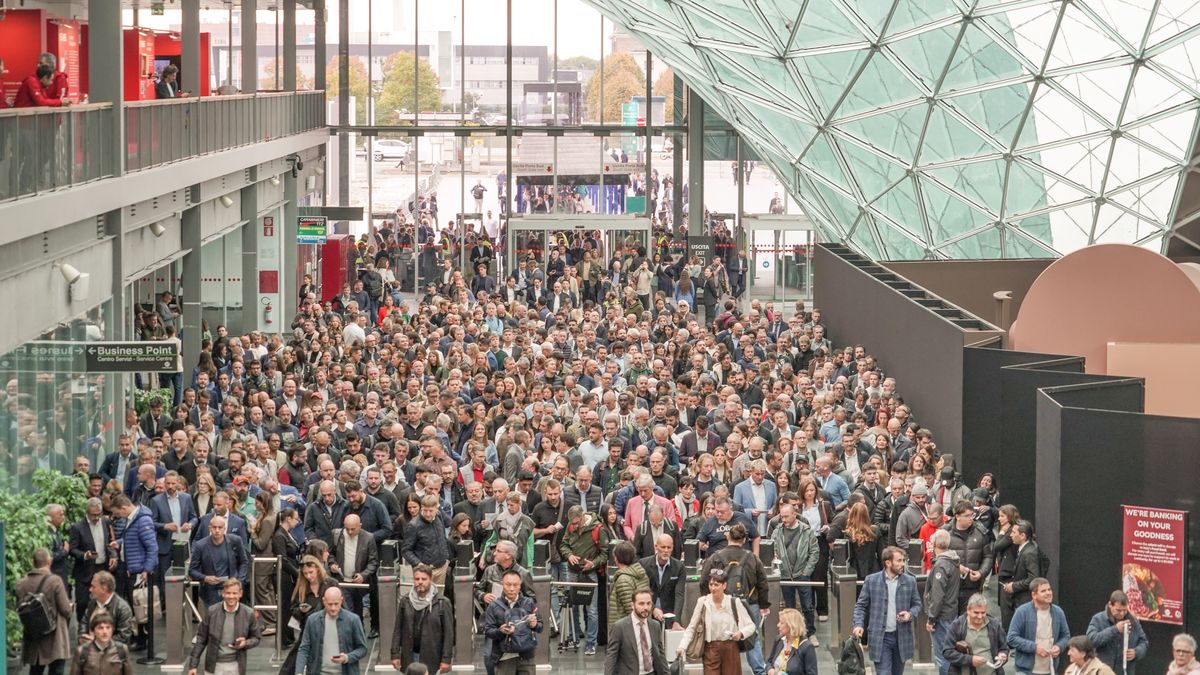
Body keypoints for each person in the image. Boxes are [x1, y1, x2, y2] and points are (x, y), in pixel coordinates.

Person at [852, 546, 923, 675]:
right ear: (888, 563)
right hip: (880, 638)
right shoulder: (871, 580)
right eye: (899, 561)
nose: (903, 564)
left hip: (901, 638)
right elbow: (860, 605)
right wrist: (858, 624)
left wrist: (910, 614)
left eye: (903, 560)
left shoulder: (910, 581)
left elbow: (917, 604)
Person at [675, 566, 757, 674]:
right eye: (711, 584)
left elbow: (751, 626)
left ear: (724, 585)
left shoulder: (733, 602)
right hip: (710, 650)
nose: (713, 588)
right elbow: (692, 627)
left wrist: (740, 634)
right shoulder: (703, 602)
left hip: (730, 648)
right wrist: (682, 647)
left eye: (716, 585)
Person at [186, 579, 263, 675]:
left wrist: (245, 643)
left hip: (236, 666)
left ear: (240, 594)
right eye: (228, 593)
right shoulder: (212, 611)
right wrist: (193, 666)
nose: (231, 596)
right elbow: (201, 639)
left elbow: (256, 638)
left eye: (234, 593)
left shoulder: (248, 613)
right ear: (223, 593)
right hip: (213, 666)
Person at [16, 548, 73, 675]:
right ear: (49, 562)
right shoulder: (55, 581)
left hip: (33, 636)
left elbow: (20, 608)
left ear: (33, 562)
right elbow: (65, 609)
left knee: (35, 670)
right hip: (55, 636)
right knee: (57, 669)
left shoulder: (21, 584)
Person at [390, 563, 454, 673]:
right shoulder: (405, 601)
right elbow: (398, 629)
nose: (420, 581)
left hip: (432, 657)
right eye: (417, 579)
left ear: (430, 579)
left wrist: (446, 659)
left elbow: (448, 634)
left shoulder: (442, 603)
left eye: (424, 579)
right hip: (410, 656)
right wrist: (395, 654)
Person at [772, 503, 819, 644]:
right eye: (782, 516)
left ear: (794, 514)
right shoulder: (777, 531)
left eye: (786, 516)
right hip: (785, 574)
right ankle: (792, 633)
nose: (784, 519)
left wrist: (807, 571)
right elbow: (772, 548)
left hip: (802, 573)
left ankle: (810, 632)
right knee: (789, 606)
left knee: (807, 605)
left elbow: (814, 552)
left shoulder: (806, 531)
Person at [294, 587, 369, 675]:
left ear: (341, 600)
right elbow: (304, 648)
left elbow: (363, 648)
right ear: (324, 601)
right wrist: (299, 672)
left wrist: (347, 657)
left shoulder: (353, 620)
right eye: (330, 604)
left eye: (336, 604)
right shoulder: (313, 620)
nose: (333, 608)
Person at [482, 570, 542, 675]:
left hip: (526, 657)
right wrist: (501, 631)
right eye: (508, 584)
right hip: (504, 657)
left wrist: (535, 625)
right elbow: (488, 631)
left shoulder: (529, 603)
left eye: (515, 585)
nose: (511, 588)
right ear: (502, 584)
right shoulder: (494, 606)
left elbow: (540, 626)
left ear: (520, 586)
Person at [69, 498, 118, 624]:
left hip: (102, 568)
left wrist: (113, 555)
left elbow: (109, 544)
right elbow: (72, 549)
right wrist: (85, 555)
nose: (96, 518)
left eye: (99, 514)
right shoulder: (77, 527)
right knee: (83, 604)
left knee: (105, 602)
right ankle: (82, 631)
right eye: (93, 515)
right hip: (84, 572)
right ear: (87, 513)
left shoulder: (105, 522)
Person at [1007, 578, 1070, 675]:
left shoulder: (1058, 612)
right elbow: (1011, 638)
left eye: (1049, 589)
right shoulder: (1022, 612)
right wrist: (1034, 648)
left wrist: (1059, 646)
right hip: (1025, 671)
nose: (1048, 593)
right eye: (1043, 591)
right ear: (1034, 595)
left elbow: (1065, 636)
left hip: (1051, 670)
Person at [189, 515, 250, 607]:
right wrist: (205, 578)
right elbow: (192, 570)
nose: (217, 530)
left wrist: (238, 581)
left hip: (231, 589)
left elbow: (244, 562)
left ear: (224, 528)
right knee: (213, 618)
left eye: (220, 527)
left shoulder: (235, 541)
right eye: (214, 527)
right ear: (210, 528)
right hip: (210, 592)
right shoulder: (200, 545)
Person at [604, 589, 668, 675]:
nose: (646, 607)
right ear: (632, 605)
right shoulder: (620, 627)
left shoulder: (655, 625)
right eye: (641, 603)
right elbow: (611, 656)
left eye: (648, 603)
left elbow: (660, 654)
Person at [942, 593, 1009, 675]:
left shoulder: (994, 625)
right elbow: (947, 652)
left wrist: (1002, 655)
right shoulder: (957, 626)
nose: (980, 616)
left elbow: (1004, 647)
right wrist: (970, 660)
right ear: (968, 610)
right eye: (976, 613)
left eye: (983, 612)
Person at [925, 529, 961, 675]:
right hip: (951, 613)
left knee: (943, 655)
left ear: (933, 544)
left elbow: (937, 595)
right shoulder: (954, 561)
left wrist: (931, 619)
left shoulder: (941, 565)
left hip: (942, 616)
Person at [1086, 591, 1148, 675]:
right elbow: (1090, 641)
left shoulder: (1133, 621)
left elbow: (1144, 642)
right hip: (1103, 671)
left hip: (1125, 671)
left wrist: (1136, 652)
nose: (1122, 613)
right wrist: (1115, 629)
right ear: (1110, 605)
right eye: (1118, 610)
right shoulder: (1098, 619)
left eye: (1125, 610)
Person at [639, 533, 685, 629]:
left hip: (669, 613)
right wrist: (652, 608)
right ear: (656, 547)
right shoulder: (644, 564)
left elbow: (679, 595)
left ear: (673, 547)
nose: (666, 551)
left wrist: (676, 621)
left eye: (669, 547)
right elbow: (641, 591)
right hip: (647, 611)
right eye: (663, 547)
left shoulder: (679, 567)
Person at [81, 572, 136, 647]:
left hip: (112, 654)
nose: (90, 589)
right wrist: (83, 637)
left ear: (104, 589)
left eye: (93, 587)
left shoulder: (122, 608)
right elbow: (84, 622)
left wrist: (98, 642)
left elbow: (123, 637)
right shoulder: (92, 603)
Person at [765, 608, 818, 675]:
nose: (778, 625)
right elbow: (769, 661)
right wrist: (770, 670)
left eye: (781, 623)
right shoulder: (779, 640)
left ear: (791, 626)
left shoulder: (806, 647)